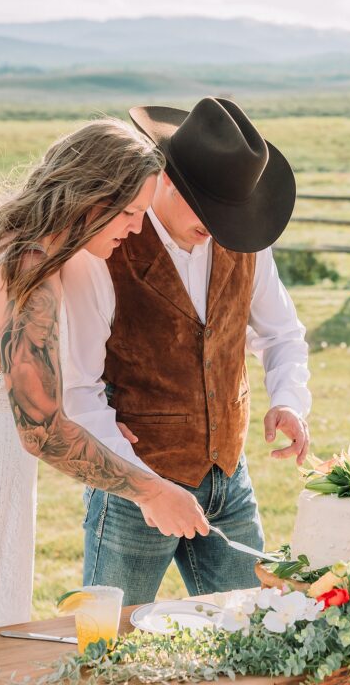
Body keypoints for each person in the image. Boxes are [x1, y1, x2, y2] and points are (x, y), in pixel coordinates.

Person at [0, 118, 209, 683]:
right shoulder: (29, 270)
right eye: (130, 213)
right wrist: (152, 490)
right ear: (91, 200)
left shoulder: (19, 243)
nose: (136, 228)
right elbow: (40, 429)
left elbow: (35, 385)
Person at [61, 97, 312, 605]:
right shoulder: (106, 250)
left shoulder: (245, 241)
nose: (222, 226)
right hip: (136, 490)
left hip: (228, 477)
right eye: (213, 210)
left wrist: (288, 398)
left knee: (254, 632)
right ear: (169, 181)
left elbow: (282, 332)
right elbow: (77, 388)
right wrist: (140, 484)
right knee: (110, 644)